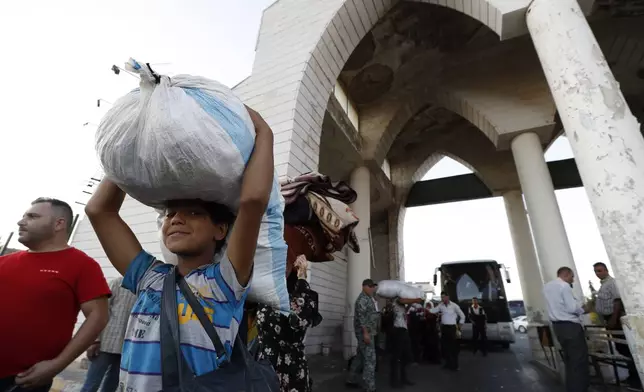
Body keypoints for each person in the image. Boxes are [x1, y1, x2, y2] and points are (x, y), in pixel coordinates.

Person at [84, 106, 275, 392]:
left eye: (193, 213)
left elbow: (252, 203)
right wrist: (131, 142)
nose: (176, 220)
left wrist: (264, 133)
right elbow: (99, 210)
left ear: (220, 230)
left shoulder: (224, 282)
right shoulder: (150, 277)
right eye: (170, 214)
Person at [0, 198, 111, 392]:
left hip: (22, 382)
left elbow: (98, 316)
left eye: (32, 216)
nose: (21, 222)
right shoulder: (4, 262)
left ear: (59, 224)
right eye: (23, 216)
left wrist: (57, 364)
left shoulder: (82, 265)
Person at [256, 256, 321, 392]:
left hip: (290, 369)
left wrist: (302, 278)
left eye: (286, 262)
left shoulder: (305, 296)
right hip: (265, 367)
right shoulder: (265, 294)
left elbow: (298, 320)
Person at [80, 277, 136, 392]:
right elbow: (99, 311)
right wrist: (95, 340)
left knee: (111, 386)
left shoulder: (143, 288)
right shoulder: (117, 283)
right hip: (106, 343)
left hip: (127, 347)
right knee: (91, 385)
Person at [543, 267, 591, 392]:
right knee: (579, 361)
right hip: (571, 326)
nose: (573, 280)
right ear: (566, 274)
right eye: (572, 277)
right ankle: (579, 389)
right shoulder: (564, 286)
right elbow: (571, 308)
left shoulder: (547, 287)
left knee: (569, 360)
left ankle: (571, 388)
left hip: (558, 327)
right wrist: (584, 309)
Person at [592, 262, 640, 388]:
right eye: (596, 271)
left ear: (606, 270)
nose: (598, 273)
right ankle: (633, 376)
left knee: (625, 347)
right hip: (609, 319)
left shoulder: (611, 283)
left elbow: (617, 300)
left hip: (616, 318)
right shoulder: (603, 285)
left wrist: (614, 318)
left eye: (600, 270)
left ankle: (636, 378)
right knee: (620, 347)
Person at [346, 279, 379, 392]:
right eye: (370, 286)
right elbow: (361, 319)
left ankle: (351, 379)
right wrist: (365, 334)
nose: (372, 288)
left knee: (360, 357)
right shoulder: (362, 300)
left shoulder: (369, 298)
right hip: (365, 333)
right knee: (370, 359)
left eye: (373, 286)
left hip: (369, 332)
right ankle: (369, 386)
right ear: (364, 286)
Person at [430, 292, 465, 371]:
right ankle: (448, 364)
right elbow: (433, 311)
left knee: (453, 348)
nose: (442, 299)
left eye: (444, 297)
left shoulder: (454, 306)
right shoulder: (441, 305)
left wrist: (460, 325)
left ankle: (455, 365)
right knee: (445, 347)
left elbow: (462, 316)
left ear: (448, 297)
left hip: (452, 328)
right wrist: (427, 309)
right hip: (444, 328)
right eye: (441, 297)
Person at [390, 298, 418, 388]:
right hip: (398, 331)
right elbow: (403, 301)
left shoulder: (402, 306)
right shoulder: (397, 301)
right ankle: (394, 381)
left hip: (404, 330)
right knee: (396, 357)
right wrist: (416, 299)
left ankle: (403, 378)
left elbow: (405, 310)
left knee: (406, 356)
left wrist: (410, 305)